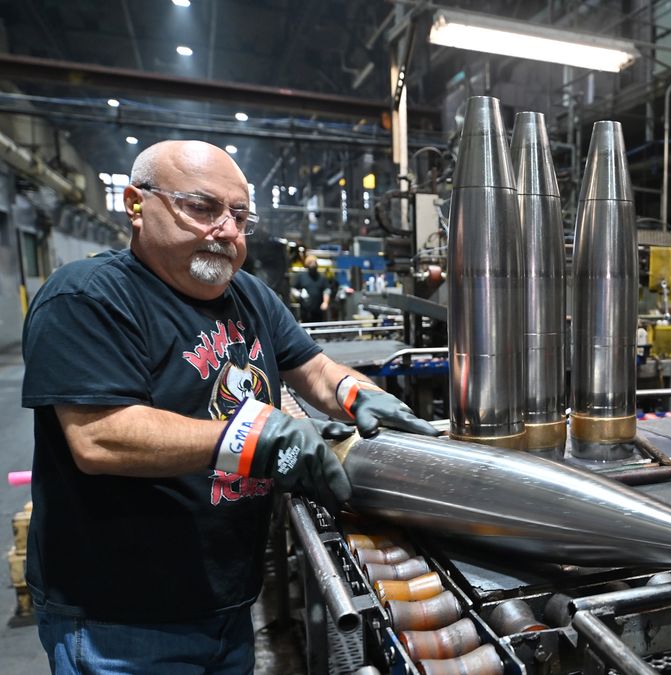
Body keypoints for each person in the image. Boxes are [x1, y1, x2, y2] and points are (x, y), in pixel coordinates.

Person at [21, 140, 437, 674]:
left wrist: (361, 395)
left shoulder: (249, 295)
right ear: (134, 203)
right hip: (123, 619)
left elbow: (314, 369)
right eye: (202, 207)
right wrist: (256, 437)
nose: (227, 231)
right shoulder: (87, 298)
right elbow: (99, 437)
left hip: (225, 595)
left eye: (240, 215)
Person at [293, 254, 332, 323]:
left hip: (318, 310)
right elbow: (293, 288)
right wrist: (299, 295)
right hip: (305, 310)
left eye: (314, 263)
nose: (313, 266)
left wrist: (325, 302)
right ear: (307, 265)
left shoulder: (322, 277)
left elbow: (326, 290)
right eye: (310, 264)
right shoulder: (301, 276)